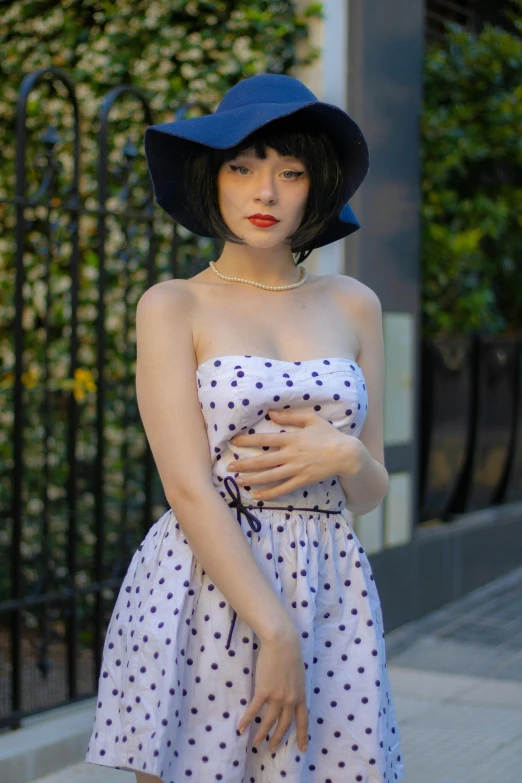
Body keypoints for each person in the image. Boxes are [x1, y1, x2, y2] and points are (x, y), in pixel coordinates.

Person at [85, 73, 405, 783]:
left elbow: (371, 489)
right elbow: (189, 489)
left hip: (331, 586)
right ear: (213, 177)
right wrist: (273, 626)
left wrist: (345, 452)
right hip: (209, 585)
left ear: (315, 187)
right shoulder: (173, 305)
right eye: (243, 167)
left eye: (290, 172)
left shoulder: (354, 304)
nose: (265, 193)